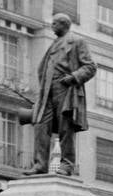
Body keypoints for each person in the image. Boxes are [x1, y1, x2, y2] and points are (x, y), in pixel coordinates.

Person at [26, 13, 96, 177]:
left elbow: (90, 67)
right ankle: (40, 164)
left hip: (66, 88)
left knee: (66, 127)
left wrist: (73, 77)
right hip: (47, 90)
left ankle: (67, 165)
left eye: (55, 23)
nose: (52, 26)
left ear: (64, 25)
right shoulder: (53, 44)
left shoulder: (77, 42)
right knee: (40, 125)